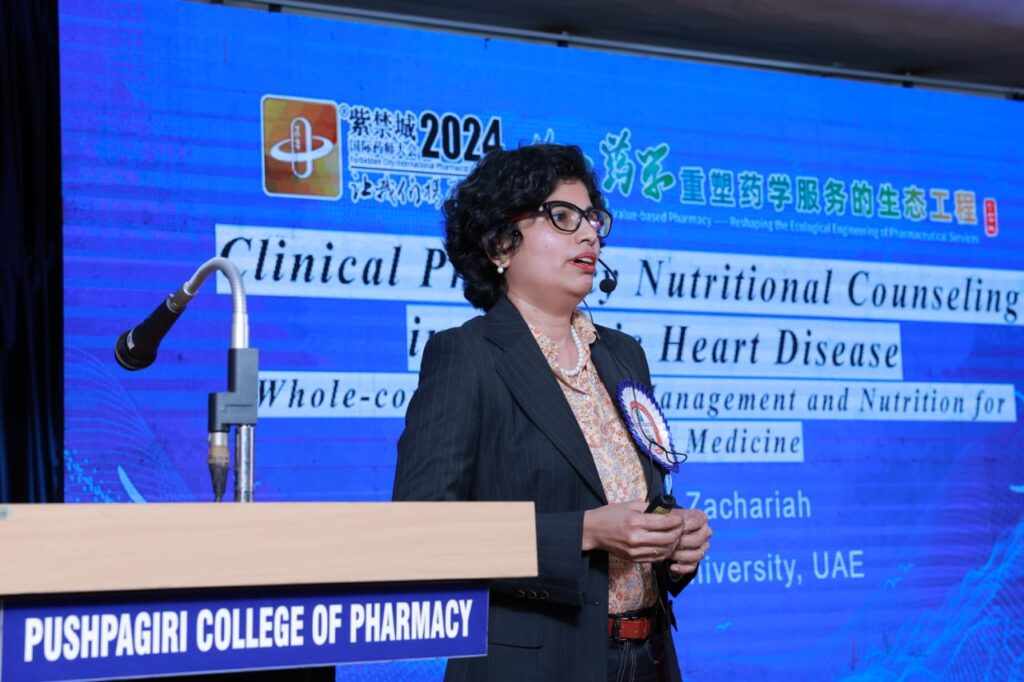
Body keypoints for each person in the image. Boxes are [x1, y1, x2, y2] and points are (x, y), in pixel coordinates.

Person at [393, 144, 712, 682]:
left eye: (593, 219)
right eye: (563, 216)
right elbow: (422, 534)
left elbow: (636, 503)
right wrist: (584, 533)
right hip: (532, 664)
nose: (589, 235)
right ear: (500, 243)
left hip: (648, 657)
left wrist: (674, 541)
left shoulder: (623, 354)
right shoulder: (466, 356)